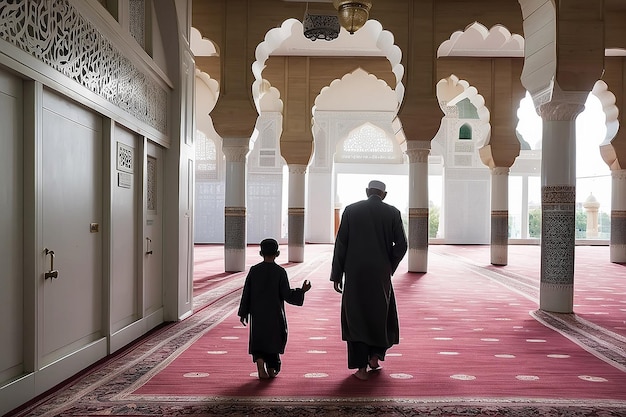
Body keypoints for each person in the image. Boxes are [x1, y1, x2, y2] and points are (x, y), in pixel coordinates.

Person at [330, 180, 408, 380]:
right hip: (380, 272)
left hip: (355, 272)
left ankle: (361, 368)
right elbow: (402, 244)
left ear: (366, 192)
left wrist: (337, 274)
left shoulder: (351, 210)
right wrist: (389, 264)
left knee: (355, 315)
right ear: (384, 194)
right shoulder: (392, 213)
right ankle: (375, 356)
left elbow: (341, 244)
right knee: (379, 313)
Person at [238, 238, 312, 379]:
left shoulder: (254, 271)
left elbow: (246, 292)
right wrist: (302, 291)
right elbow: (287, 294)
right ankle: (272, 368)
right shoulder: (280, 272)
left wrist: (243, 312)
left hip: (258, 314)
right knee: (273, 340)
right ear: (277, 253)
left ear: (261, 253)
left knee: (258, 339)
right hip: (274, 314)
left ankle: (260, 364)